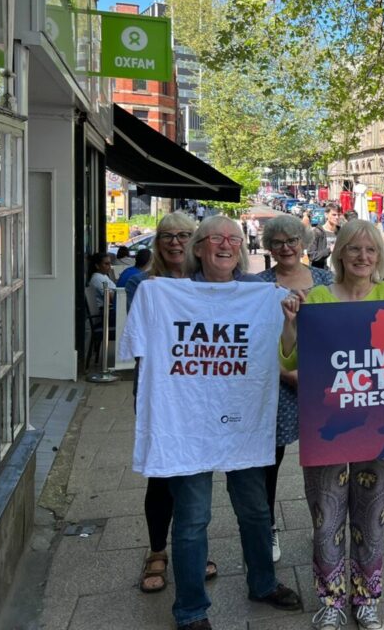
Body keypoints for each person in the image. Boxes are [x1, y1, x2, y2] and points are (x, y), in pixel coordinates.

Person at [167, 216, 302, 629]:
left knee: (256, 510)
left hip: (244, 418)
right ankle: (191, 609)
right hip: (189, 422)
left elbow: (284, 349)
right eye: (216, 239)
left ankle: (262, 582)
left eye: (234, 239)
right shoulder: (172, 295)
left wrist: (291, 321)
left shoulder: (260, 293)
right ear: (199, 247)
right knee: (192, 518)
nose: (226, 245)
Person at [280, 219, 384, 630]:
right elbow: (290, 362)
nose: (363, 257)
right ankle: (331, 600)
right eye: (354, 249)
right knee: (327, 517)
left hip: (379, 428)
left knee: (371, 517)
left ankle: (366, 599)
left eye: (371, 250)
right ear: (339, 254)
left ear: (379, 257)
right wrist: (292, 325)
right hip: (327, 427)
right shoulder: (316, 297)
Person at [125, 213, 216, 596]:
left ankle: (193, 548)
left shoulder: (208, 285)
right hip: (160, 390)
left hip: (201, 393)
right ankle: (158, 550)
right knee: (162, 472)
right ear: (157, 242)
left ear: (194, 243)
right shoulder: (146, 286)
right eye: (166, 236)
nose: (174, 242)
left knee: (197, 470)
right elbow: (141, 346)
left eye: (183, 235)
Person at [257, 215, 334, 563]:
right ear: (268, 248)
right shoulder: (257, 285)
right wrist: (290, 374)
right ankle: (267, 526)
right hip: (278, 386)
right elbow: (255, 344)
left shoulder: (326, 279)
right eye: (277, 242)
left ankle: (325, 525)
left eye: (292, 240)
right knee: (269, 462)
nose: (286, 247)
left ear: (303, 243)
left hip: (323, 388)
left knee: (325, 462)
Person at [86, 251, 117, 320]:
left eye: (110, 263)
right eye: (106, 264)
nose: (109, 266)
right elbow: (112, 298)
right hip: (105, 315)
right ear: (97, 266)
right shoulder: (98, 278)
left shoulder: (103, 276)